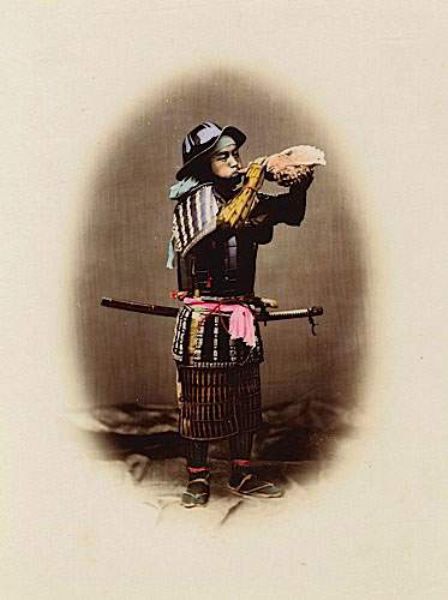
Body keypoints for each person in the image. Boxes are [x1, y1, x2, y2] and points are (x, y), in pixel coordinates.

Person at [168, 121, 314, 508]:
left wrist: (300, 183)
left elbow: (290, 213)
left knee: (244, 402)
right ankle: (198, 477)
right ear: (203, 164)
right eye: (224, 156)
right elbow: (226, 222)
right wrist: (255, 177)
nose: (235, 161)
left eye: (236, 154)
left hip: (240, 318)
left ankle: (242, 473)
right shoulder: (194, 203)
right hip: (202, 322)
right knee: (199, 404)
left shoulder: (244, 197)